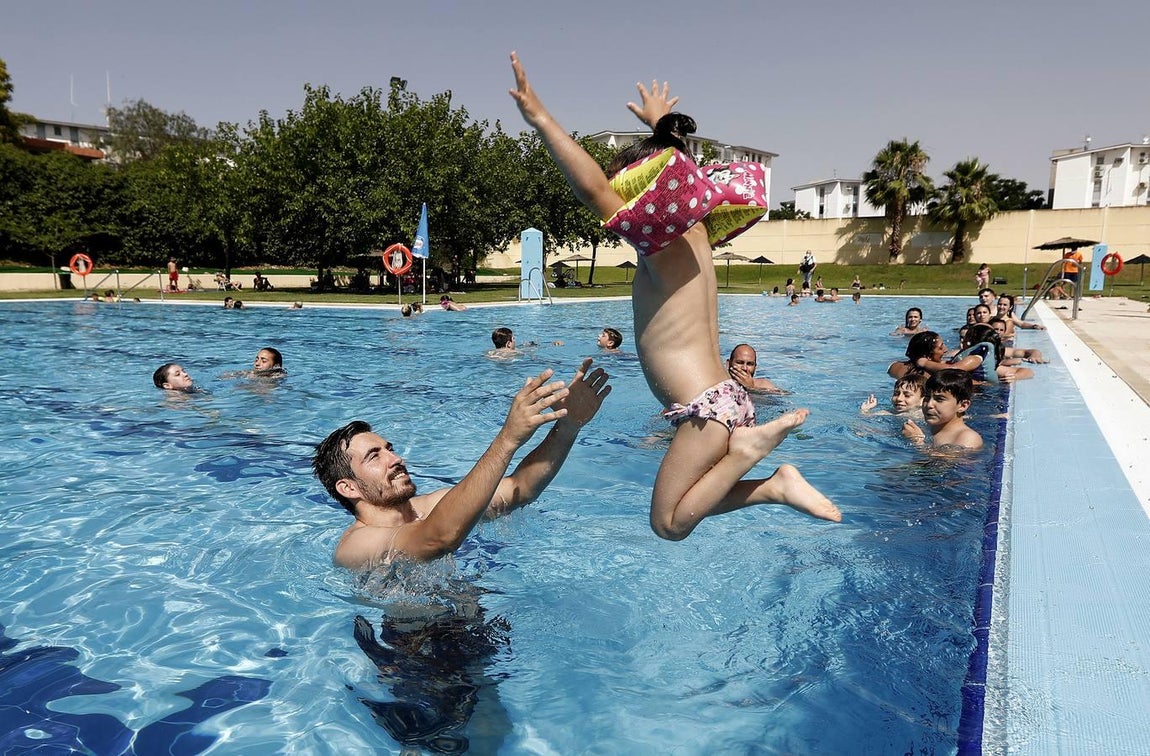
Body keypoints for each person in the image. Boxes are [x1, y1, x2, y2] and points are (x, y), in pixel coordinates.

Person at [509, 52, 840, 539]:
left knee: (667, 523)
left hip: (706, 405)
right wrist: (662, 127)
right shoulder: (698, 233)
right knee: (688, 505)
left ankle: (769, 476)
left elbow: (594, 189)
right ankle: (772, 484)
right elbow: (679, 177)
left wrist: (540, 117)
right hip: (725, 402)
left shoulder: (661, 247)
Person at [313, 358, 612, 568]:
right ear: (348, 487)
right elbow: (438, 538)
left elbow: (521, 488)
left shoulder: (431, 506)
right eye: (374, 456)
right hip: (412, 653)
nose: (396, 458)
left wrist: (569, 425)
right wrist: (508, 438)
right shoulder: (355, 546)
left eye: (389, 449)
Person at [901, 369, 983, 451]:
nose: (929, 404)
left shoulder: (968, 438)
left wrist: (917, 441)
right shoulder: (927, 427)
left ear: (962, 405)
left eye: (939, 399)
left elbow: (945, 462)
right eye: (927, 397)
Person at [861, 371, 927, 416]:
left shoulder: (925, 416)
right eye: (896, 394)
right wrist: (865, 410)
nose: (899, 398)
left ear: (923, 400)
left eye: (907, 395)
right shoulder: (891, 412)